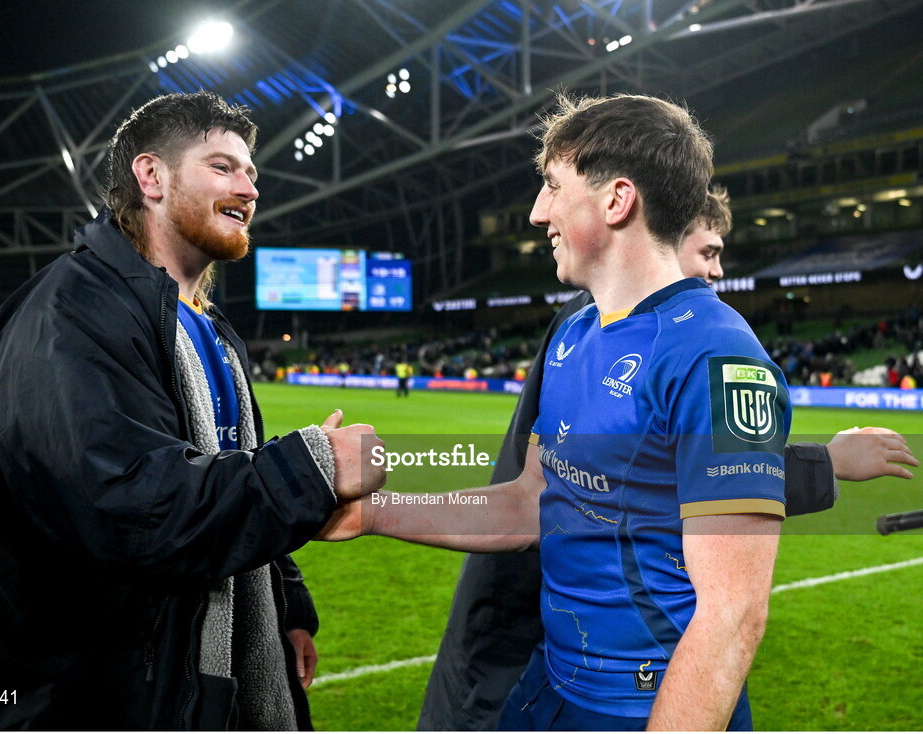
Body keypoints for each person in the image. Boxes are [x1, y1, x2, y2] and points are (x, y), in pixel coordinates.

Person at [323, 93, 849, 730]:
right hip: (549, 689)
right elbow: (529, 503)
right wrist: (369, 512)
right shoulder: (574, 337)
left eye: (552, 185)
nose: (539, 211)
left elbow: (733, 615)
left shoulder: (715, 356)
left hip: (643, 708)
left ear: (617, 200)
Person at [0, 91, 386, 730]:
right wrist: (313, 466)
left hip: (189, 678)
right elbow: (133, 506)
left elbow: (226, 466)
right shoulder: (66, 315)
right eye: (223, 167)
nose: (249, 188)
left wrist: (284, 608)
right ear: (151, 177)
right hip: (85, 694)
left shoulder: (210, 328)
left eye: (252, 172)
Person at [418, 188, 920, 730]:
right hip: (560, 645)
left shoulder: (628, 327)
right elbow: (640, 482)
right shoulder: (592, 326)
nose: (718, 271)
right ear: (666, 238)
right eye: (708, 252)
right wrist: (827, 461)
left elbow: (649, 472)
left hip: (558, 641)